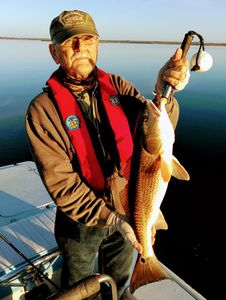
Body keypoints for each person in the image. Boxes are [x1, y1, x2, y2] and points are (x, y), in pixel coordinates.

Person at [25, 10, 190, 300]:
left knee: (119, 280)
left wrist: (166, 91)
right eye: (70, 42)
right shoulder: (42, 111)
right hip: (81, 220)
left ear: (98, 44)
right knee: (80, 284)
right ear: (54, 52)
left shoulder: (118, 87)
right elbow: (62, 185)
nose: (81, 48)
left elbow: (155, 128)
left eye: (88, 39)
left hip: (130, 207)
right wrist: (112, 219)